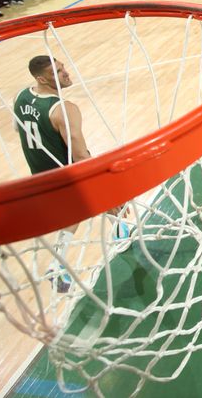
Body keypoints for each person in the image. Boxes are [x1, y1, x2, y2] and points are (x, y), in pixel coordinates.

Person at [12, 56, 131, 292]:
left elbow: (18, 128)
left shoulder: (20, 97)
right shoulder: (64, 110)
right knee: (106, 191)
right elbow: (80, 158)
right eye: (57, 71)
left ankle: (119, 229)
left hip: (39, 174)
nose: (65, 73)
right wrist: (104, 185)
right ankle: (117, 227)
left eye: (62, 67)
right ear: (41, 78)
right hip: (64, 174)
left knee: (76, 212)